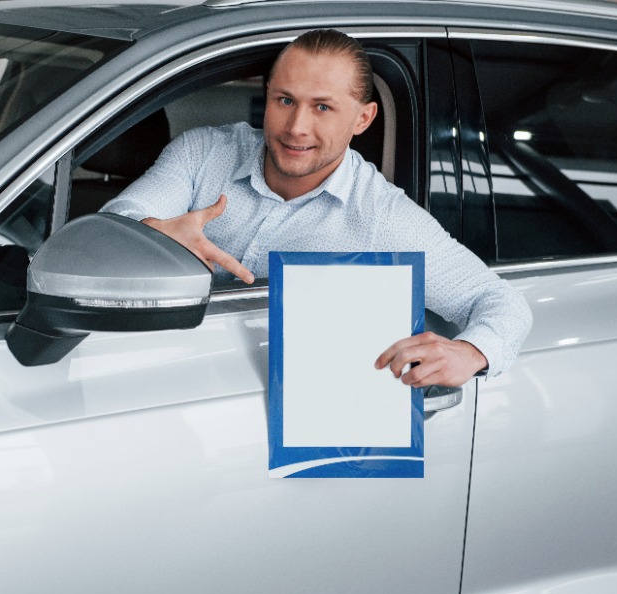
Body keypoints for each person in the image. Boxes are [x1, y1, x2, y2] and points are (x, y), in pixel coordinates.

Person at [102, 29, 531, 388]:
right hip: (148, 372)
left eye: (322, 107)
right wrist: (151, 235)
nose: (296, 127)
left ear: (362, 119)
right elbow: (112, 226)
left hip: (266, 415)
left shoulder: (381, 216)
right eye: (284, 100)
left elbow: (498, 301)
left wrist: (473, 351)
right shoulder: (203, 153)